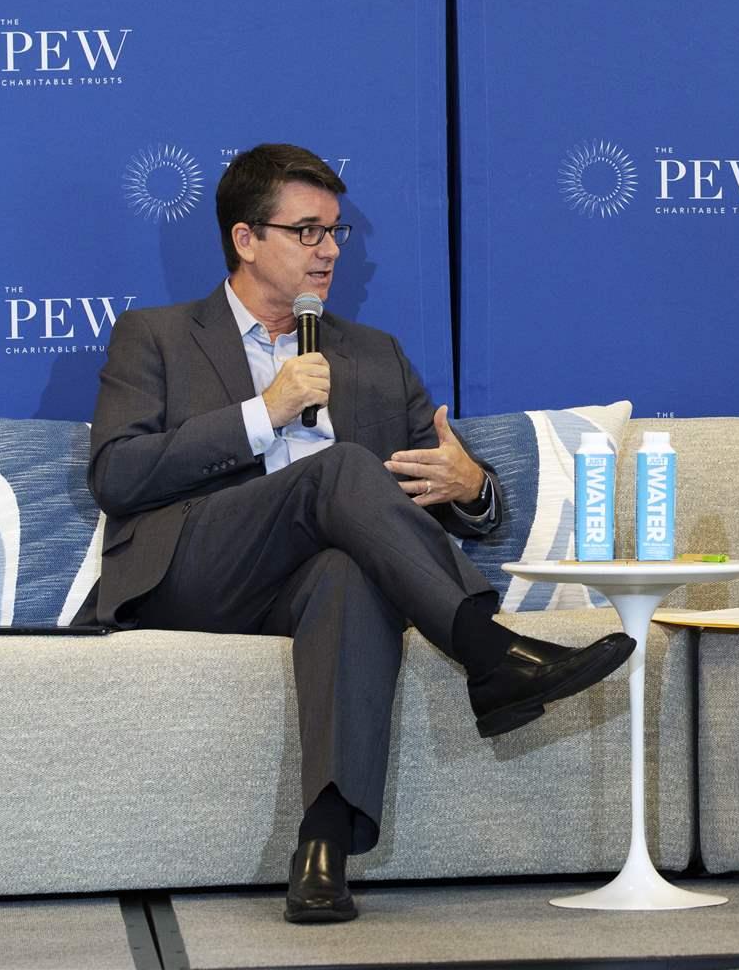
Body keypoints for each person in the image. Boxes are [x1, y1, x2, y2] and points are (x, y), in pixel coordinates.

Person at [79, 143, 634, 924]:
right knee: (338, 469)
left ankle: (322, 851)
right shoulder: (157, 335)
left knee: (349, 572)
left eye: (336, 233)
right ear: (246, 238)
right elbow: (117, 474)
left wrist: (472, 488)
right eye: (308, 232)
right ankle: (488, 651)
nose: (330, 250)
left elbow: (410, 504)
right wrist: (263, 413)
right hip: (192, 572)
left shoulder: (374, 357)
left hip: (302, 586)